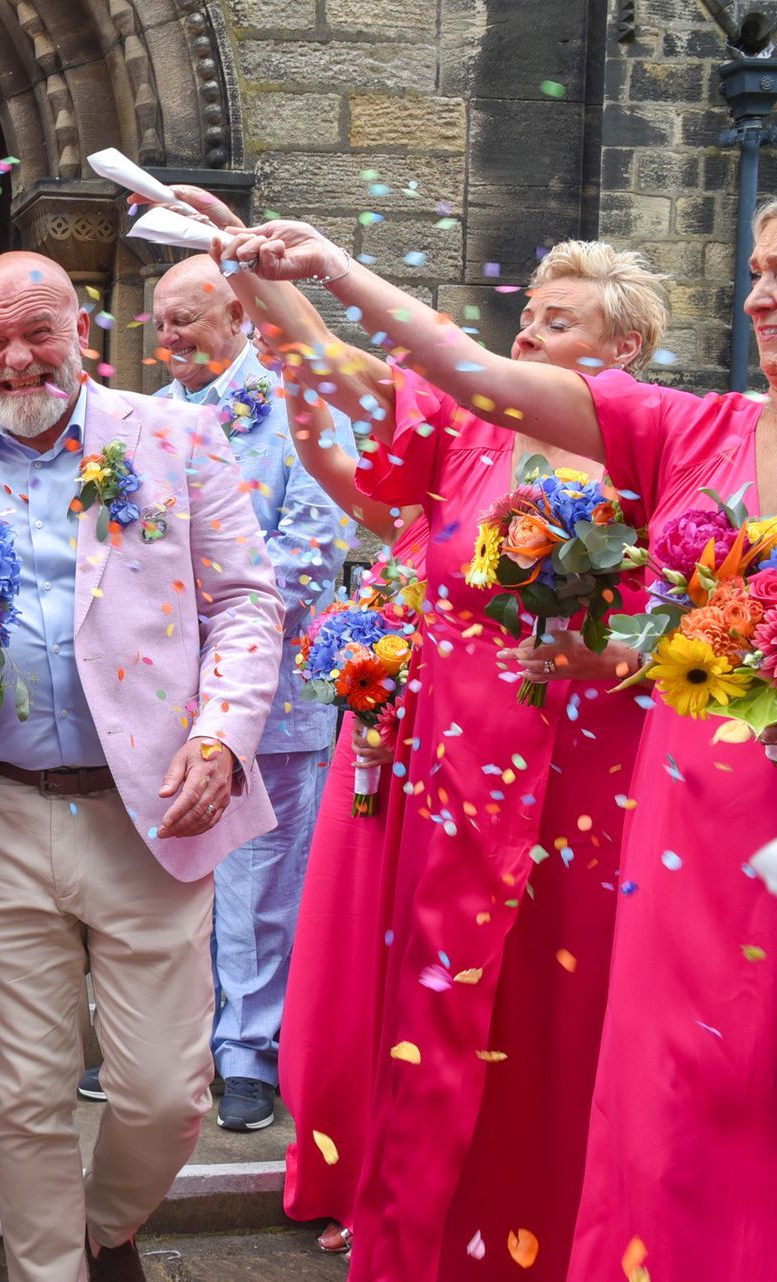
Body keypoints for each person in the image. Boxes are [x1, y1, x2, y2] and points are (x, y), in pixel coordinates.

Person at [224, 208, 777, 1282]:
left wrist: (611, 665)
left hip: (612, 790)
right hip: (489, 775)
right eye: (756, 271)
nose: (761, 294)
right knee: (589, 1057)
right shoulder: (687, 428)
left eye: (556, 320)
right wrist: (275, 280)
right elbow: (406, 380)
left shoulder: (650, 443)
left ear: (618, 349)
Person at [0, 251, 284, 1281]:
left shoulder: (175, 436)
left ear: (82, 329)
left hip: (151, 812)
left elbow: (249, 602)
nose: (19, 358)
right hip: (0, 814)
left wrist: (220, 735)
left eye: (39, 332)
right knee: (26, 1097)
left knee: (167, 1094)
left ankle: (107, 1228)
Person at [151, 254, 351, 1131]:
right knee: (173, 877)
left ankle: (251, 1052)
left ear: (236, 314)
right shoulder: (149, 417)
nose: (165, 342)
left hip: (275, 692)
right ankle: (179, 1044)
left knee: (261, 883)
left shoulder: (301, 404)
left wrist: (216, 626)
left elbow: (311, 549)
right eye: (157, 325)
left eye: (181, 323)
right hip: (162, 693)